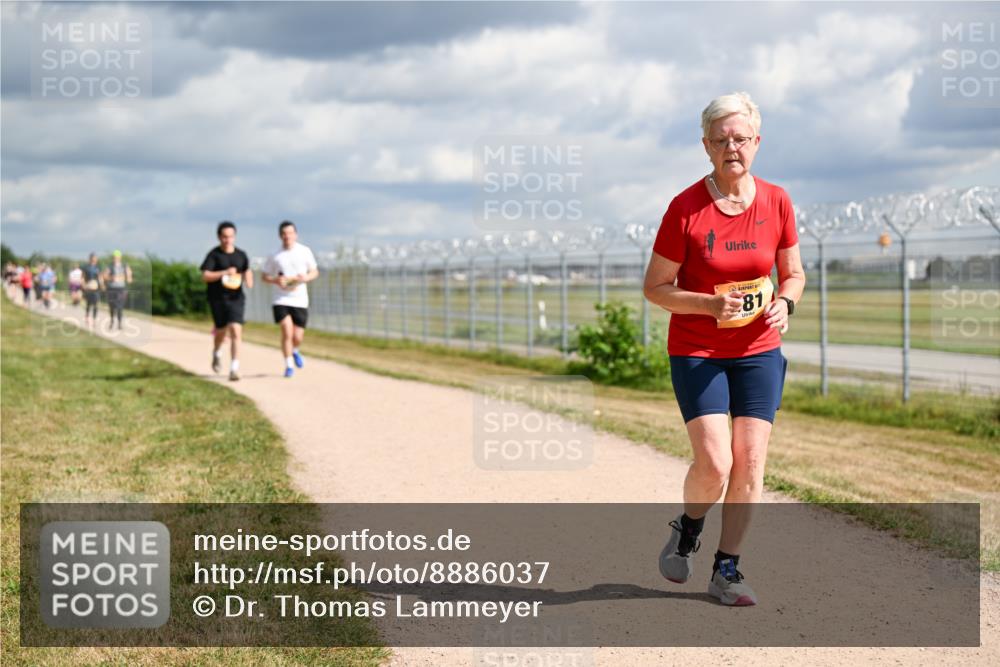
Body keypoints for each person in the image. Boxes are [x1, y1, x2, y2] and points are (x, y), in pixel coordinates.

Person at [643, 92, 806, 606]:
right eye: (720, 140)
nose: (731, 147)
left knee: (750, 462)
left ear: (757, 142)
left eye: (740, 138)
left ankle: (727, 569)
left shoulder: (777, 201)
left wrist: (785, 303)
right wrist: (708, 305)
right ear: (706, 146)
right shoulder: (685, 208)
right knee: (715, 463)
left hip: (759, 348)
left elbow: (794, 274)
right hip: (698, 349)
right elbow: (655, 288)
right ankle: (689, 527)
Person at [262, 221, 318, 378]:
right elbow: (264, 276)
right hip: (281, 299)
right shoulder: (274, 254)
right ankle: (288, 365)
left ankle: (295, 350)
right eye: (284, 234)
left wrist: (305, 277)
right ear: (280, 236)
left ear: (295, 234)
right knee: (286, 331)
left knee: (297, 336)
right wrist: (275, 280)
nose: (287, 236)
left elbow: (314, 272)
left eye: (290, 233)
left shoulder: (304, 251)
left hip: (299, 299)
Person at [200, 221, 253, 381]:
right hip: (217, 299)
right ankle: (216, 352)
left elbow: (246, 270)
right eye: (224, 237)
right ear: (219, 237)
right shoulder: (214, 255)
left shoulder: (241, 255)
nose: (227, 240)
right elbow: (205, 276)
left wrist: (248, 280)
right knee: (221, 331)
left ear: (234, 237)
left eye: (230, 236)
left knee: (236, 330)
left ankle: (234, 369)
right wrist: (224, 272)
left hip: (236, 298)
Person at [103, 250, 132, 330]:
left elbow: (129, 277)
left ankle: (119, 323)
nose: (115, 259)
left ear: (120, 258)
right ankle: (112, 321)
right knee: (112, 306)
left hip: (121, 289)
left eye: (116, 257)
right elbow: (104, 276)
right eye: (114, 257)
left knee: (120, 307)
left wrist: (128, 277)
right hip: (111, 288)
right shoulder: (110, 266)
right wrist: (111, 278)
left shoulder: (125, 266)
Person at [82, 253, 103, 327]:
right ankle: (87, 316)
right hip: (88, 288)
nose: (95, 259)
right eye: (93, 258)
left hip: (96, 288)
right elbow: (83, 277)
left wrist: (102, 284)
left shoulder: (98, 267)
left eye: (95, 258)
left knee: (96, 304)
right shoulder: (86, 267)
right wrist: (84, 285)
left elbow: (100, 277)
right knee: (88, 303)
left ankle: (94, 320)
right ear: (90, 259)